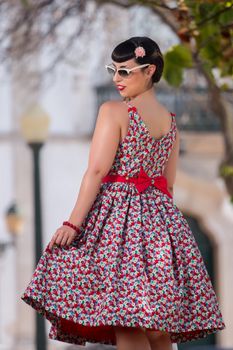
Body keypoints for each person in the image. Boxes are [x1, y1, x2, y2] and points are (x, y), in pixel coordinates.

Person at [21, 36, 225, 350]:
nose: (116, 79)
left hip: (119, 223)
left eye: (125, 71)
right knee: (157, 328)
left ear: (150, 70)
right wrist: (160, 229)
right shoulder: (171, 123)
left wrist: (73, 224)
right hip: (162, 225)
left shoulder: (114, 112)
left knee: (127, 319)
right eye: (113, 70)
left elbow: (97, 171)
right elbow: (167, 186)